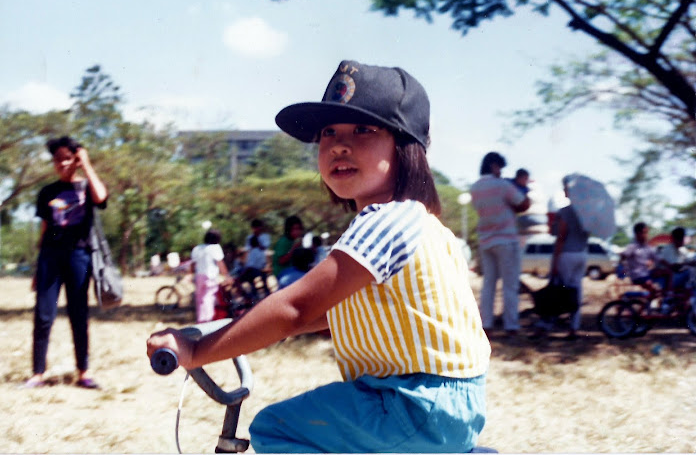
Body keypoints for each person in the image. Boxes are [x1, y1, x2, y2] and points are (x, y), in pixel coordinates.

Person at [148, 60, 491, 453]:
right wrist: (226, 332)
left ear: (406, 145)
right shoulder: (422, 223)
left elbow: (295, 308)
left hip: (414, 403)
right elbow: (326, 315)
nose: (339, 145)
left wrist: (196, 351)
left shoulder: (386, 222)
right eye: (329, 133)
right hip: (444, 403)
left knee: (278, 429)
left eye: (363, 129)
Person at [25, 136, 108, 389]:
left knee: (78, 314)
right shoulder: (47, 192)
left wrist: (87, 165)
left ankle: (84, 372)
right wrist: (38, 267)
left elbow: (101, 198)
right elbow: (44, 228)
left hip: (79, 257)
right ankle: (37, 373)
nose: (62, 164)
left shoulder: (87, 187)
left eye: (68, 158)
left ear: (77, 159)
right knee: (43, 315)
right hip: (50, 258)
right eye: (57, 159)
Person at [470, 152, 530, 336]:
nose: (501, 171)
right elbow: (523, 204)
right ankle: (511, 325)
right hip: (506, 239)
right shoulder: (503, 185)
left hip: (485, 239)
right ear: (494, 166)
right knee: (510, 284)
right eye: (500, 168)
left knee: (488, 284)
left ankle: (486, 324)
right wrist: (521, 187)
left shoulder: (475, 187)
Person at [535, 176, 589, 340]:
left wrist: (555, 263)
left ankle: (546, 325)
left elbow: (561, 237)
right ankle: (574, 328)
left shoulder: (565, 212)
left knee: (557, 290)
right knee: (576, 291)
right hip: (582, 253)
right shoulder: (587, 213)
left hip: (567, 254)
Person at [191, 229, 233, 323]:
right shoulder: (215, 247)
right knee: (209, 298)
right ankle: (207, 321)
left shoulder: (198, 248)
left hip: (199, 276)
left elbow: (193, 264)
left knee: (200, 298)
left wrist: (190, 275)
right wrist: (227, 276)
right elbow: (220, 264)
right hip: (210, 276)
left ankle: (200, 320)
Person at [620, 222, 669, 293]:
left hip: (646, 273)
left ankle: (668, 294)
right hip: (637, 276)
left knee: (668, 272)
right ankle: (655, 296)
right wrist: (624, 270)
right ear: (637, 234)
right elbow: (623, 256)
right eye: (644, 233)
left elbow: (657, 258)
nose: (646, 235)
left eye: (647, 233)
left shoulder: (647, 246)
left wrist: (670, 265)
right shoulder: (632, 246)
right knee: (653, 287)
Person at [240, 219, 271, 283]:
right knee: (247, 274)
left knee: (262, 275)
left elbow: (265, 247)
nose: (256, 229)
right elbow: (247, 249)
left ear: (261, 227)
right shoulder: (249, 237)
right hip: (252, 262)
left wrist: (257, 243)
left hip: (262, 262)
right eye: (254, 228)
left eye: (257, 227)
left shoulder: (265, 236)